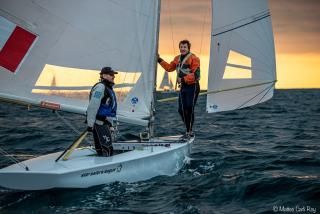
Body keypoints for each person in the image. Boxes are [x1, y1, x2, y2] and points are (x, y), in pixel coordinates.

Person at [158, 40, 200, 138]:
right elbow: (169, 68)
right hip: (183, 88)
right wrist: (159, 59)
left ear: (188, 48)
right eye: (181, 47)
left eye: (184, 47)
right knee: (181, 110)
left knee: (189, 108)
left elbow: (196, 75)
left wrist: (183, 79)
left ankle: (189, 131)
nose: (182, 49)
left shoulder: (194, 58)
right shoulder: (177, 59)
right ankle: (187, 130)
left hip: (193, 86)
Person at [86, 66, 118, 156]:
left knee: (105, 149)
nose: (113, 77)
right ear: (104, 75)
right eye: (111, 75)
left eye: (113, 75)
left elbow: (108, 109)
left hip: (104, 123)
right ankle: (105, 168)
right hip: (99, 124)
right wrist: (90, 125)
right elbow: (93, 106)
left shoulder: (108, 88)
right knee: (107, 150)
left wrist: (110, 124)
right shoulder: (100, 88)